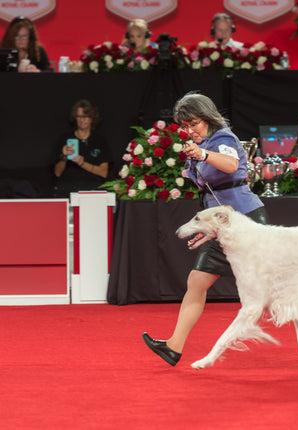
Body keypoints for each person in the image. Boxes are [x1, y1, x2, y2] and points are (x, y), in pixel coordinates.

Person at [142, 92, 268, 367]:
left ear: (208, 118)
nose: (190, 131)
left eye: (194, 124)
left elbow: (231, 165)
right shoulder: (203, 143)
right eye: (185, 126)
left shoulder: (223, 138)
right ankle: (173, 347)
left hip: (245, 221)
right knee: (197, 282)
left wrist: (203, 154)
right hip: (220, 226)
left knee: (272, 284)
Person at [52, 99, 112, 197]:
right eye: (79, 116)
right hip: (68, 187)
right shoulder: (65, 138)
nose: (81, 120)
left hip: (93, 187)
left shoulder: (100, 140)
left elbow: (103, 173)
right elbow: (57, 173)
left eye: (85, 117)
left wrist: (82, 163)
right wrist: (64, 157)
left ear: (92, 118)